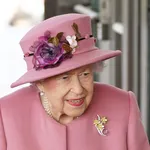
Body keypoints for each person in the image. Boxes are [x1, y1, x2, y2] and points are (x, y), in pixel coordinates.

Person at [0, 13, 149, 150]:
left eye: (85, 74)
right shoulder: (6, 115)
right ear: (39, 82)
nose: (78, 90)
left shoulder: (123, 105)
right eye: (64, 78)